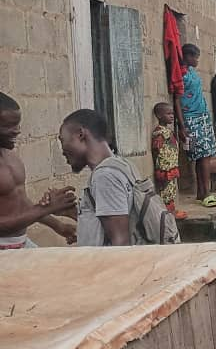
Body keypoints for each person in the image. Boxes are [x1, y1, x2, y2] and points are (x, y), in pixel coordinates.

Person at [0, 92, 77, 248]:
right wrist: (44, 209)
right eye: (8, 126)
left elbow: (21, 202)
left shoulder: (11, 157)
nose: (17, 131)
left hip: (20, 242)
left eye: (17, 125)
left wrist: (58, 226)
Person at [59, 109, 139, 247]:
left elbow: (120, 244)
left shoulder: (105, 176)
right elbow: (111, 221)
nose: (62, 151)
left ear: (80, 134)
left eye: (63, 140)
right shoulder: (122, 164)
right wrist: (72, 213)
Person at [173, 43, 216, 202]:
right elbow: (177, 100)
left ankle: (202, 191)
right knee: (202, 156)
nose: (197, 61)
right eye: (195, 57)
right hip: (191, 117)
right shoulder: (180, 75)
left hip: (203, 116)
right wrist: (182, 125)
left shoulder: (191, 71)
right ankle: (205, 192)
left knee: (204, 156)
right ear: (187, 57)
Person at [151, 102, 187, 219]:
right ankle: (168, 214)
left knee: (171, 190)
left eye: (172, 114)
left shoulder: (167, 130)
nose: (172, 116)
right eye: (168, 114)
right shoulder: (160, 132)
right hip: (165, 167)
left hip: (171, 166)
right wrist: (162, 162)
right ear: (159, 116)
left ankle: (171, 211)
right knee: (166, 191)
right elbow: (157, 147)